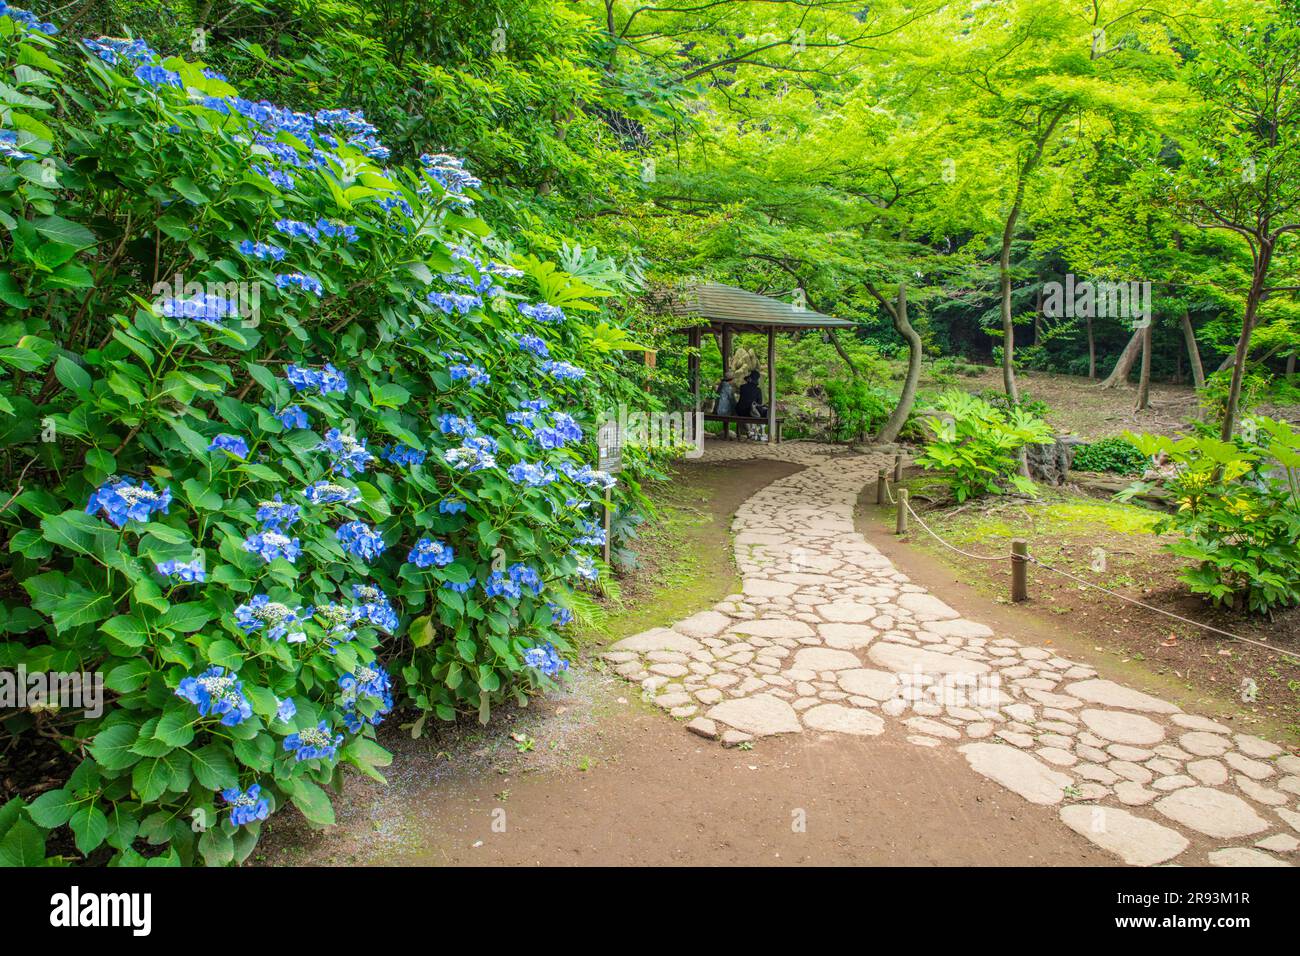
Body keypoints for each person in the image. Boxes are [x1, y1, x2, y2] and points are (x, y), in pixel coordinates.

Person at [736, 370, 767, 438]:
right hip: (750, 412)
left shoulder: (742, 387)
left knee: (746, 409)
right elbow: (759, 403)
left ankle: (749, 431)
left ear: (749, 379)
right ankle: (754, 432)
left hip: (740, 411)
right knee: (755, 411)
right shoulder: (758, 390)